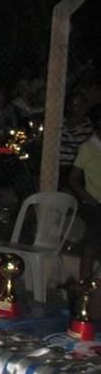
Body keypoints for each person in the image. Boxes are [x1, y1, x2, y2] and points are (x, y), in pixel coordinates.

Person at [68, 103, 101, 281]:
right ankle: (85, 288)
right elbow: (73, 180)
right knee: (91, 246)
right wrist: (91, 200)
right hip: (95, 204)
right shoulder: (88, 148)